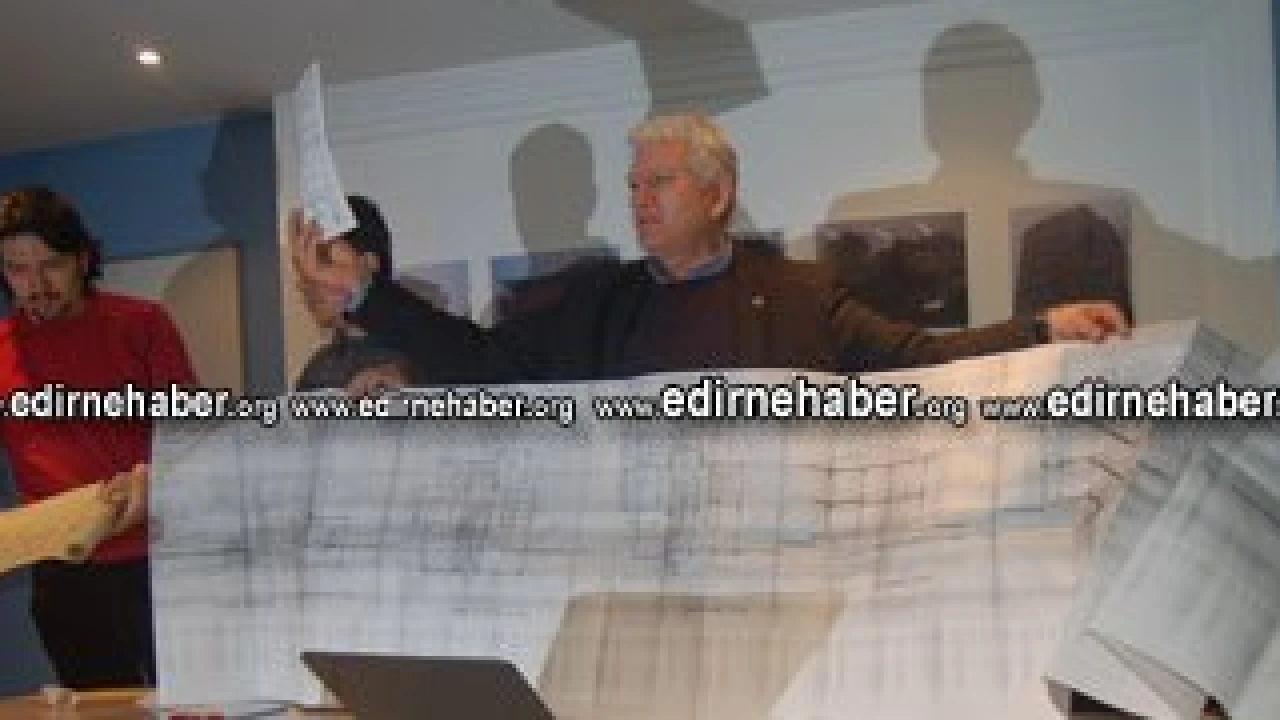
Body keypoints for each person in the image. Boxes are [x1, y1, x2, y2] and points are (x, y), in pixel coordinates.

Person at [290, 113, 1127, 386]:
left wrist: (1045, 328)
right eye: (633, 185)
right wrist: (366, 297)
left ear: (717, 192)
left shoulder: (803, 295)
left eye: (659, 182)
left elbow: (920, 356)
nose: (638, 199)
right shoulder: (597, 301)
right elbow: (481, 359)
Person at [0, 186, 197, 689]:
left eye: (51, 265)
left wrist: (151, 482)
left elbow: (193, 439)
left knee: (191, 702)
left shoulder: (142, 324)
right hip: (63, 574)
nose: (36, 285)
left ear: (82, 260)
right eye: (18, 270)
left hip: (156, 561)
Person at [293, 195, 408, 395]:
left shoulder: (426, 359)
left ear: (368, 265)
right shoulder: (316, 371)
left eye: (323, 261)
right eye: (302, 270)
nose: (305, 283)